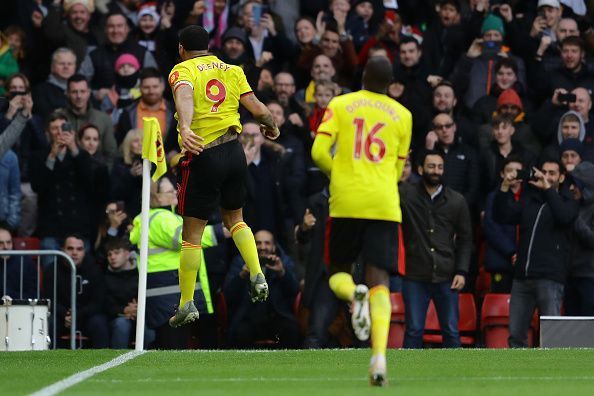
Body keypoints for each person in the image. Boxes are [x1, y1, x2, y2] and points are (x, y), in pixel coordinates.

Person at [167, 26, 280, 328]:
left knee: (191, 235)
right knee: (236, 220)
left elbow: (186, 96)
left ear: (181, 48)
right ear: (209, 45)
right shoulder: (232, 69)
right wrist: (269, 124)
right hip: (234, 152)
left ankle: (186, 303)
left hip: (204, 154)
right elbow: (256, 107)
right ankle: (257, 273)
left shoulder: (182, 70)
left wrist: (187, 129)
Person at [311, 57, 412, 386]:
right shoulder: (404, 116)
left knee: (336, 272)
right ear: (391, 82)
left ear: (364, 76)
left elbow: (317, 152)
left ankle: (353, 291)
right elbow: (398, 170)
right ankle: (379, 357)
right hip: (383, 204)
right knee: (380, 283)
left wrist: (338, 173)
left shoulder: (341, 104)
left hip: (346, 201)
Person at [493, 158, 579, 347]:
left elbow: (564, 217)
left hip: (550, 278)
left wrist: (548, 190)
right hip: (522, 277)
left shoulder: (568, 203)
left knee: (551, 337)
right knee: (515, 336)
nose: (546, 177)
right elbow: (501, 215)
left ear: (562, 177)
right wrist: (505, 187)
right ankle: (518, 375)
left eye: (552, 173)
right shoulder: (529, 202)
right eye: (544, 172)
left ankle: (551, 374)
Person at [129, 176, 216, 349]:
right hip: (170, 300)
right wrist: (221, 231)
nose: (176, 193)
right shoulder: (162, 218)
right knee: (174, 348)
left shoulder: (155, 218)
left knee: (168, 347)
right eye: (170, 191)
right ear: (157, 197)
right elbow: (185, 238)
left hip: (164, 298)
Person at [400, 150, 472, 348]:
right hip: (414, 274)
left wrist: (462, 271)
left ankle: (455, 376)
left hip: (446, 275)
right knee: (414, 329)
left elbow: (466, 239)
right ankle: (407, 373)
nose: (436, 171)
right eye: (431, 166)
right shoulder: (405, 195)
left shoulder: (457, 201)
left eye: (440, 167)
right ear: (420, 169)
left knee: (451, 330)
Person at [224, 229, 300, 348]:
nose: (262, 247)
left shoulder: (283, 261)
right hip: (248, 317)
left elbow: (294, 291)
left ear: (274, 247)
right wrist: (242, 275)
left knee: (291, 330)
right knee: (240, 333)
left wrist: (282, 273)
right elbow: (228, 294)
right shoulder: (240, 262)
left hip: (277, 316)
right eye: (258, 243)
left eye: (267, 243)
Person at [566, 162, 594, 316]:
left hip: (589, 276)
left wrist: (574, 218)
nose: (571, 188)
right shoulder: (572, 205)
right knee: (572, 325)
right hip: (569, 274)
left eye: (576, 184)